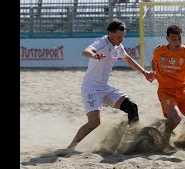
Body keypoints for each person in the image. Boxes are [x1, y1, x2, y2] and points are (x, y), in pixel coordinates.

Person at [66, 18, 155, 152]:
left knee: (132, 107)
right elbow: (85, 51)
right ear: (110, 33)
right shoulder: (101, 42)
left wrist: (144, 72)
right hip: (91, 89)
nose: (121, 40)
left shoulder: (118, 46)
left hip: (105, 88)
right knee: (94, 122)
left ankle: (134, 140)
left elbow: (128, 59)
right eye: (119, 36)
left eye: (123, 36)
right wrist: (94, 55)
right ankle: (70, 147)